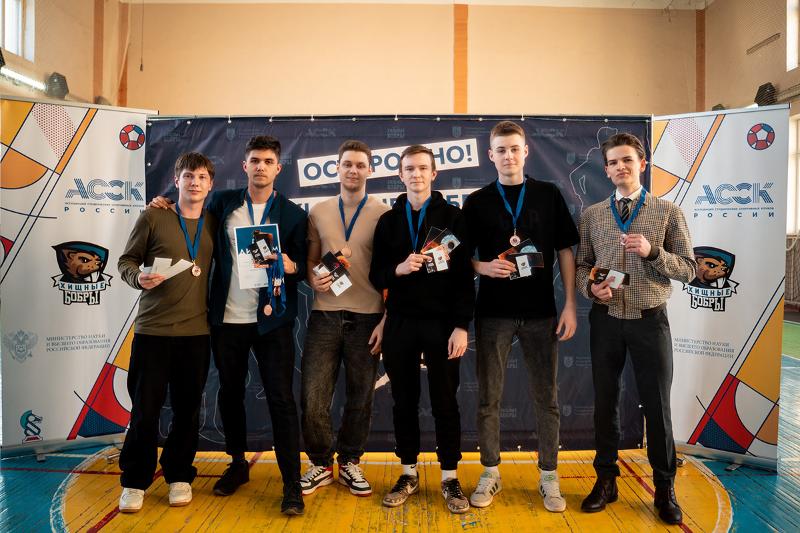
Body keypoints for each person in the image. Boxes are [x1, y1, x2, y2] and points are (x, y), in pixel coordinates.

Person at [150, 135, 308, 515]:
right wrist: (163, 204)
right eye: (254, 160)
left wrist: (293, 266)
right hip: (228, 320)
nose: (260, 167)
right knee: (231, 393)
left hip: (273, 322)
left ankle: (291, 483)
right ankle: (237, 464)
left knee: (282, 400)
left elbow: (303, 266)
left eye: (267, 161)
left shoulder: (292, 214)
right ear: (244, 165)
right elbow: (188, 208)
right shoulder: (222, 203)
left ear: (278, 168)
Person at [575, 132, 695, 525]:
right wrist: (590, 288)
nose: (620, 167)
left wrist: (653, 252)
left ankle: (665, 487)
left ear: (642, 164)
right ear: (606, 170)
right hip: (606, 322)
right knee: (605, 403)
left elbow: (690, 270)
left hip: (649, 321)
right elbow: (581, 267)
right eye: (613, 162)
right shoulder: (592, 215)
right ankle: (606, 481)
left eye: (627, 159)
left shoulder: (667, 212)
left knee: (657, 407)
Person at [462, 120, 578, 512]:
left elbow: (565, 250)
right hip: (493, 314)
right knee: (489, 397)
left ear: (526, 152)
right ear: (490, 155)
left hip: (541, 313)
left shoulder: (548, 194)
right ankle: (490, 471)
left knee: (547, 398)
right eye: (501, 149)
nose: (508, 155)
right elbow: (459, 257)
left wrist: (570, 304)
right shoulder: (477, 201)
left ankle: (549, 476)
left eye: (515, 148)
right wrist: (482, 267)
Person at [369, 144, 474, 514]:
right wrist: (396, 270)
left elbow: (463, 278)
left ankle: (449, 477)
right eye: (409, 169)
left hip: (442, 324)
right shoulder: (388, 221)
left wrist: (461, 326)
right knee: (404, 401)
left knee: (445, 401)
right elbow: (375, 274)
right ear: (400, 175)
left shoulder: (453, 217)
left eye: (422, 168)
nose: (416, 174)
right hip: (400, 323)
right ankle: (408, 473)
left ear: (434, 174)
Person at [117, 152, 216, 513]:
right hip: (153, 332)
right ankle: (134, 482)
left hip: (196, 334)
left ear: (210, 184)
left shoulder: (213, 222)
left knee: (187, 412)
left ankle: (179, 475)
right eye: (188, 176)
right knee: (145, 412)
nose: (195, 182)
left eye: (202, 177)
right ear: (177, 181)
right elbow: (126, 261)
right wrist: (137, 277)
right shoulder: (154, 216)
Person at [299, 140, 389, 497]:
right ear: (336, 167)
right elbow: (310, 260)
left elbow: (391, 274)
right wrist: (312, 278)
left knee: (360, 396)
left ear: (370, 170)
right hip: (324, 314)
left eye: (360, 165)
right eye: (347, 164)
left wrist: (386, 319)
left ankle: (350, 460)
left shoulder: (384, 213)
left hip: (368, 317)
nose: (353, 170)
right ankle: (321, 464)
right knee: (313, 396)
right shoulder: (319, 211)